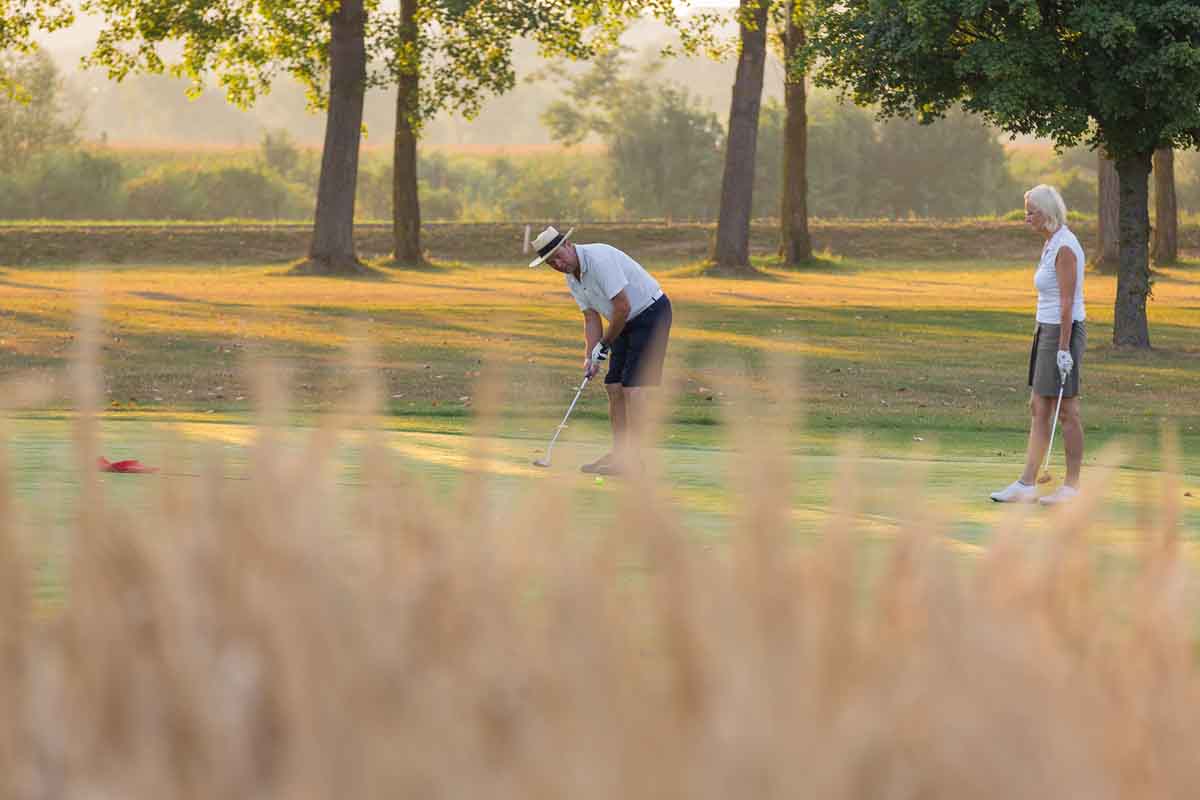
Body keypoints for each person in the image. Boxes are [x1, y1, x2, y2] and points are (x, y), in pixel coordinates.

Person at [529, 226, 673, 475]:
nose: (557, 263)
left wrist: (604, 345)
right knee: (614, 386)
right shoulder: (572, 278)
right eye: (550, 262)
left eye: (558, 255)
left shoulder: (599, 259)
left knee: (634, 389)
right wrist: (590, 357)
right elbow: (590, 318)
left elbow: (623, 306)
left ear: (568, 245)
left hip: (650, 314)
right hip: (624, 321)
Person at [991, 185, 1087, 505]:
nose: (1026, 216)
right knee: (1039, 407)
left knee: (1068, 411)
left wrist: (1063, 349)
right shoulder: (1050, 243)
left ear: (1046, 213)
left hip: (1063, 332)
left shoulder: (1065, 247)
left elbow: (1067, 302)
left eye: (1031, 211)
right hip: (1046, 330)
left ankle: (1072, 488)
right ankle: (1027, 483)